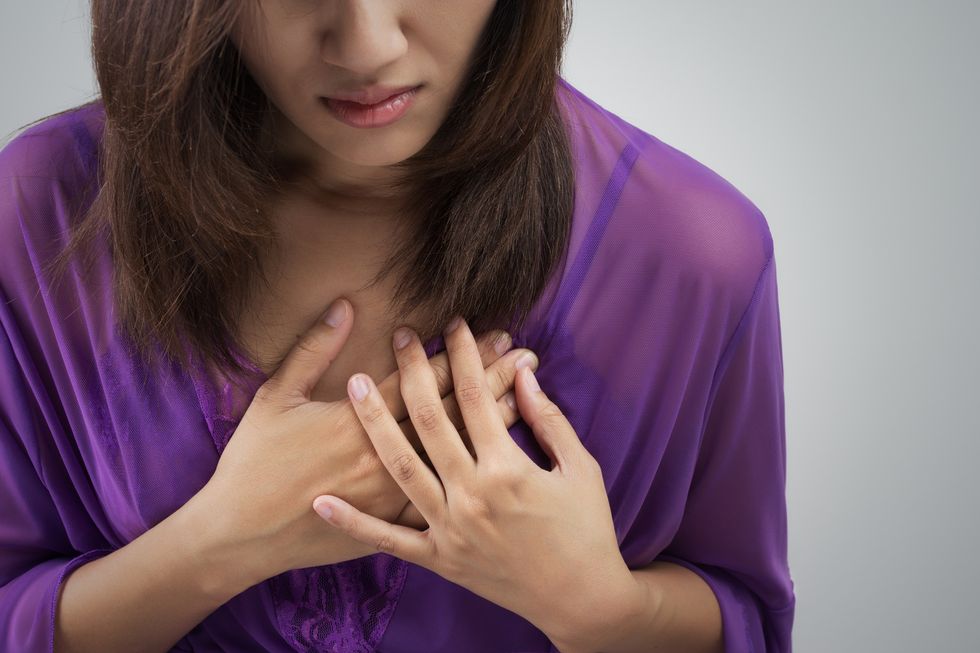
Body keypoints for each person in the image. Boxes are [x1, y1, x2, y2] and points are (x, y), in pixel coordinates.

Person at [0, 1, 796, 651]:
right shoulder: (41, 216)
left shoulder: (691, 254)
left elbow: (747, 621)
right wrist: (218, 543)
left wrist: (600, 609)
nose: (366, 44)